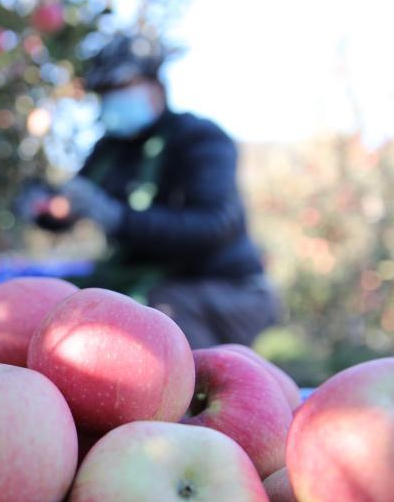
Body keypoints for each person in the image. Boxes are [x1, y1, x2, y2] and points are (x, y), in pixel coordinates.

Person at [35, 34, 280, 349]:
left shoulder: (200, 140)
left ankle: (182, 392)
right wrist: (44, 211)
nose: (112, 100)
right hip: (148, 285)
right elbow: (71, 204)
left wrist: (117, 218)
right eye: (104, 93)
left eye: (121, 88)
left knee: (159, 320)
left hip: (223, 287)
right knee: (65, 301)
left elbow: (214, 225)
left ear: (156, 86)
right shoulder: (109, 151)